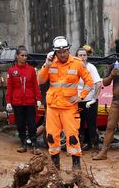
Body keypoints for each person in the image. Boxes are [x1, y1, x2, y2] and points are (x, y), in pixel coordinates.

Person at [38, 35, 92, 170]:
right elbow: (40, 80)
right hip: (53, 106)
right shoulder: (50, 63)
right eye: (59, 52)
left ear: (68, 50)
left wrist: (81, 96)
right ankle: (55, 168)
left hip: (69, 107)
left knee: (73, 137)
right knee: (51, 137)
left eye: (65, 51)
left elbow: (89, 81)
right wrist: (46, 65)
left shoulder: (77, 63)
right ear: (55, 52)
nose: (62, 54)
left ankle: (76, 169)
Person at [6, 47, 41, 152]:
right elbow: (10, 87)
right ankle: (23, 143)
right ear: (17, 56)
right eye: (22, 55)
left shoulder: (31, 70)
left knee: (32, 123)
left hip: (30, 101)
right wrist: (8, 102)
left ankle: (34, 143)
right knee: (20, 123)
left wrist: (38, 99)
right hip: (17, 102)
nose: (24, 57)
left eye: (26, 56)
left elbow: (35, 85)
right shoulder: (12, 71)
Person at [76, 46, 101, 150]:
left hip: (89, 101)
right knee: (78, 125)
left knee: (91, 124)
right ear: (76, 57)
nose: (82, 57)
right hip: (77, 101)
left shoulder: (91, 68)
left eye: (84, 55)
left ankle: (95, 146)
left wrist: (94, 98)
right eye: (80, 55)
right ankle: (79, 146)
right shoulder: (74, 68)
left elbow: (98, 84)